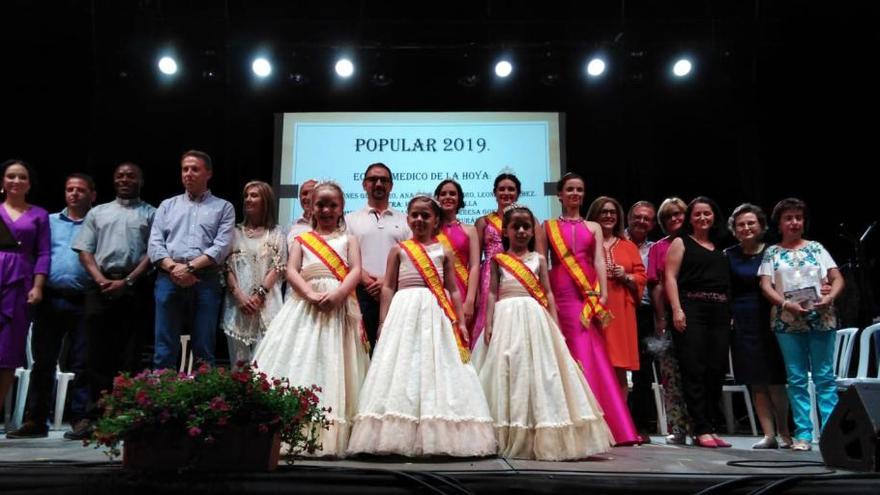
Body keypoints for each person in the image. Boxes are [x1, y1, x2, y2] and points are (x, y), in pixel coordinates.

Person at [347, 195, 495, 457]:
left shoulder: (443, 250)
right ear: (407, 218)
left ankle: (438, 434)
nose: (419, 220)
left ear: (436, 220)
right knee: (402, 365)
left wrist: (460, 321)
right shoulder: (400, 249)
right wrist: (383, 321)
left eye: (425, 216)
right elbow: (389, 286)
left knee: (434, 365)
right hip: (403, 311)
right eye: (414, 215)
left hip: (435, 312)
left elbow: (453, 290)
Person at [479, 203, 612, 460]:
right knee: (508, 371)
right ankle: (505, 433)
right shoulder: (497, 260)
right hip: (506, 316)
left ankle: (540, 433)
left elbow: (548, 292)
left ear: (533, 231)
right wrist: (489, 322)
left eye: (525, 227)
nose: (520, 231)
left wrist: (554, 323)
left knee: (540, 372)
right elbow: (493, 292)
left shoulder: (539, 259)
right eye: (515, 227)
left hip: (535, 318)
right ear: (505, 231)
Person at [254, 181, 368, 456]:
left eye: (332, 205)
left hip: (338, 304)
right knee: (302, 359)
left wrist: (340, 293)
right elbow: (292, 271)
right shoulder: (302, 240)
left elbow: (356, 270)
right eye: (321, 204)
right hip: (305, 305)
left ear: (342, 208)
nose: (326, 210)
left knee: (334, 361)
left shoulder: (349, 239)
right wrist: (309, 293)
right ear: (311, 207)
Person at [543, 173, 640, 446]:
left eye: (579, 190)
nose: (574, 194)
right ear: (560, 195)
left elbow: (598, 259)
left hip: (587, 292)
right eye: (569, 190)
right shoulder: (546, 225)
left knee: (591, 351)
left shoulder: (594, 226)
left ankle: (605, 426)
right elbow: (542, 261)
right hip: (560, 291)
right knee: (566, 352)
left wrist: (603, 293)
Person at [71, 163, 157, 439]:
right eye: (120, 175)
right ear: (113, 180)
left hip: (135, 287)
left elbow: (153, 253)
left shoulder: (151, 213)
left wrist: (128, 280)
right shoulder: (98, 212)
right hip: (101, 287)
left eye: (131, 175)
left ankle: (125, 416)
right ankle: (93, 416)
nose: (125, 179)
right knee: (95, 354)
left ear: (141, 180)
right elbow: (85, 250)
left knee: (130, 354)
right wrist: (100, 280)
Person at [6, 173, 94, 439]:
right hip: (51, 297)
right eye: (70, 189)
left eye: (80, 190)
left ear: (92, 194)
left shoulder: (98, 220)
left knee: (83, 362)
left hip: (85, 297)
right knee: (44, 362)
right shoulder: (50, 221)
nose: (74, 194)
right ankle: (36, 420)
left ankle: (81, 418)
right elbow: (40, 253)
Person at [758, 198, 844, 452]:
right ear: (780, 223)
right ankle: (803, 435)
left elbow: (837, 278)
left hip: (821, 319)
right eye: (789, 218)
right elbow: (765, 285)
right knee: (796, 379)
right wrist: (785, 304)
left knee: (824, 378)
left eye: (798, 217)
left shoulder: (817, 248)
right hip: (788, 322)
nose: (794, 222)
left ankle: (831, 434)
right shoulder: (773, 252)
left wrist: (829, 297)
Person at [148, 150, 235, 369]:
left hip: (205, 280)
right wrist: (174, 268)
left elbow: (221, 246)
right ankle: (161, 399)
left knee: (204, 347)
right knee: (164, 346)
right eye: (185, 169)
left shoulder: (224, 207)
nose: (188, 174)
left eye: (195, 169)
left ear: (208, 173)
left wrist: (189, 268)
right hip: (168, 279)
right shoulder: (167, 205)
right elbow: (155, 244)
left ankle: (202, 401)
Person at [665, 196, 732, 448]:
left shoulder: (721, 245)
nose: (703, 218)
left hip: (719, 312)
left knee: (716, 370)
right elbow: (670, 278)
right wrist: (677, 310)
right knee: (694, 369)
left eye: (707, 213)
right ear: (689, 219)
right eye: (697, 214)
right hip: (692, 309)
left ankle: (711, 426)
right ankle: (700, 428)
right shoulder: (681, 242)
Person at [725, 203, 791, 449]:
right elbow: (727, 289)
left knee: (775, 379)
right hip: (742, 321)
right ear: (734, 229)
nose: (746, 228)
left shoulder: (774, 252)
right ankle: (768, 434)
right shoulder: (729, 255)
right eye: (741, 224)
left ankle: (785, 432)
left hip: (772, 317)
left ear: (762, 226)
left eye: (751, 223)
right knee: (755, 379)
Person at [0, 160, 50, 413]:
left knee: (9, 352)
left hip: (20, 283)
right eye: (11, 176)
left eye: (21, 177)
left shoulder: (39, 214)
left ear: (29, 184)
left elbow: (43, 253)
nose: (16, 181)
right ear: (2, 182)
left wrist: (38, 286)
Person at [345, 163, 410, 351]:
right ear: (364, 185)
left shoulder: (406, 220)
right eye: (373, 179)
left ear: (391, 186)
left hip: (396, 293)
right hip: (360, 293)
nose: (378, 183)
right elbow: (344, 255)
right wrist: (366, 280)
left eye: (384, 180)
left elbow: (411, 256)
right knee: (361, 350)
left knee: (393, 350)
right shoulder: (350, 219)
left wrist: (386, 281)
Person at [586, 196, 646, 398]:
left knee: (619, 365)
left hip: (621, 309)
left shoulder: (628, 246)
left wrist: (626, 276)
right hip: (594, 308)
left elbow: (641, 276)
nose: (609, 216)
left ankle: (620, 422)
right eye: (604, 212)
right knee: (594, 363)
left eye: (612, 212)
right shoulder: (587, 244)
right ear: (594, 215)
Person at [222, 181, 286, 366]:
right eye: (246, 195)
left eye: (254, 195)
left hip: (267, 308)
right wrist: (239, 296)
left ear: (266, 201)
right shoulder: (234, 232)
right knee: (239, 367)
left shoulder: (276, 233)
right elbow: (226, 267)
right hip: (237, 307)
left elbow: (278, 266)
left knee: (265, 369)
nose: (249, 199)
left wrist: (259, 295)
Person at [646, 197, 692, 444]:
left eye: (679, 214)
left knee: (696, 373)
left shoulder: (698, 244)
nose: (675, 219)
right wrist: (661, 317)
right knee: (670, 375)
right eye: (669, 216)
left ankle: (702, 426)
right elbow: (656, 286)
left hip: (698, 316)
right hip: (668, 318)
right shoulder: (658, 248)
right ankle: (678, 428)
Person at [473, 173, 521, 346]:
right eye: (502, 189)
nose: (506, 193)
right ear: (494, 193)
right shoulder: (483, 222)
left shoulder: (527, 221)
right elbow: (475, 259)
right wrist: (476, 291)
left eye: (511, 189)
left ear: (518, 193)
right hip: (488, 277)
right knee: (489, 318)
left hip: (518, 276)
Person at [624, 200, 659, 442]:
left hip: (644, 312)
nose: (641, 221)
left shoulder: (655, 249)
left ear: (653, 223)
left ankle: (640, 426)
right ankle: (616, 422)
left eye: (647, 218)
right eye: (638, 217)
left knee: (643, 372)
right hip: (617, 310)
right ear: (628, 218)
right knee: (614, 369)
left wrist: (661, 317)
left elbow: (656, 285)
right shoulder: (615, 242)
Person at [434, 179, 479, 330]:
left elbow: (474, 266)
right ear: (437, 199)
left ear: (459, 199)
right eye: (443, 194)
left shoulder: (470, 230)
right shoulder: (430, 231)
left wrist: (470, 301)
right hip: (436, 289)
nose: (448, 197)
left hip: (463, 291)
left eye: (452, 194)